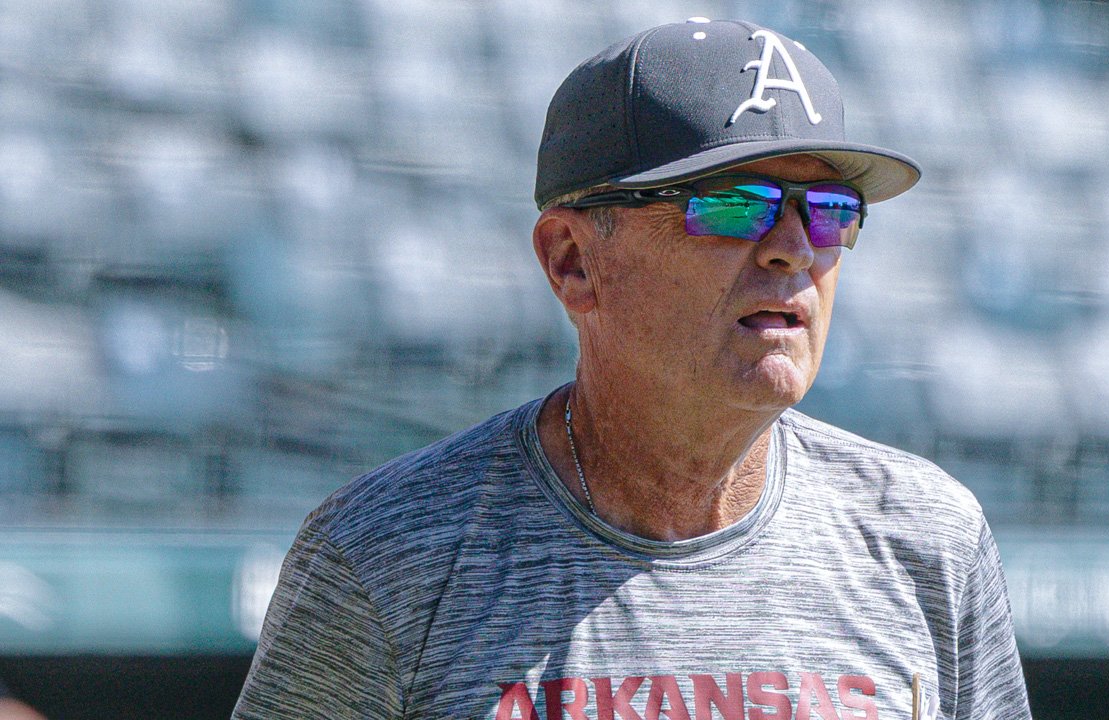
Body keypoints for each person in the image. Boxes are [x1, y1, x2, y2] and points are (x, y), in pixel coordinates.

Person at [233, 18, 1031, 720]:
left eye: (830, 212)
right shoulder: (392, 554)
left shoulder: (927, 540)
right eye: (732, 201)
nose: (794, 248)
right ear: (572, 261)